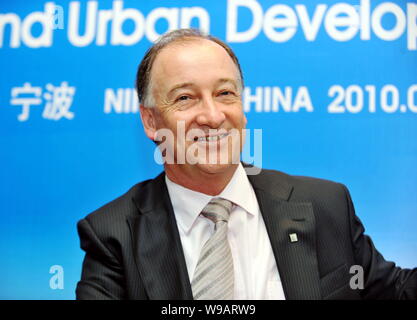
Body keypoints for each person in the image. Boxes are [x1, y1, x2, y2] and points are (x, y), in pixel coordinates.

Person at [76, 28, 416, 300]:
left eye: (225, 93)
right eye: (185, 98)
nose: (212, 116)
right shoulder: (114, 234)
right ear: (151, 122)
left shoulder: (325, 205)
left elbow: (397, 292)